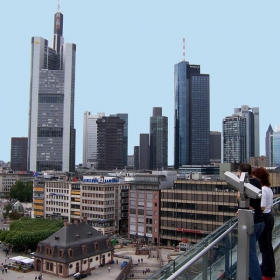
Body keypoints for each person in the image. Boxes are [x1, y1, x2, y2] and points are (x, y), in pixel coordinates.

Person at [237, 163, 264, 280]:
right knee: (251, 252)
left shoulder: (244, 184)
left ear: (240, 172)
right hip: (260, 221)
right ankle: (250, 275)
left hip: (250, 222)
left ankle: (256, 277)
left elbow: (240, 198)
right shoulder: (257, 182)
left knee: (250, 254)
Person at [252, 167, 275, 280]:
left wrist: (252, 208)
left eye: (255, 178)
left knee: (264, 248)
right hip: (269, 217)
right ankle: (270, 270)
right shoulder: (269, 189)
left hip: (264, 218)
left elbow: (262, 206)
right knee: (268, 247)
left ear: (260, 178)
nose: (254, 180)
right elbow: (270, 206)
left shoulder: (263, 190)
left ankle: (266, 273)